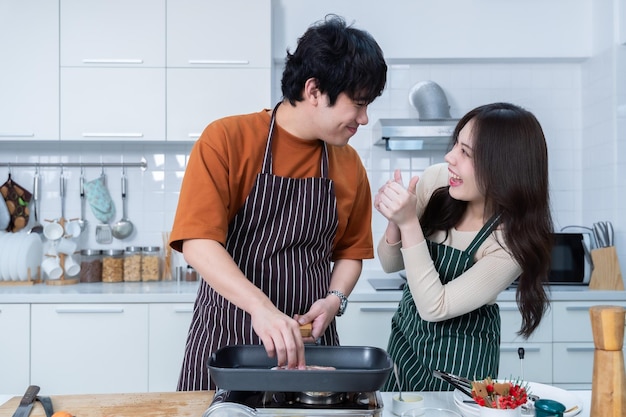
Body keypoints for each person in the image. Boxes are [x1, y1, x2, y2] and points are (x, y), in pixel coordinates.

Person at [169, 14, 387, 391]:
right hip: (229, 344)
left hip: (311, 351)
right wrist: (262, 309)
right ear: (314, 90)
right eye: (359, 104)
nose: (364, 119)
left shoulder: (348, 163)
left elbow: (351, 252)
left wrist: (335, 300)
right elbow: (198, 242)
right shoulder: (227, 139)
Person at [374, 102, 553, 391]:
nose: (449, 157)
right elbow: (390, 262)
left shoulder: (509, 243)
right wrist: (396, 220)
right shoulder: (436, 182)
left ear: (502, 167)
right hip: (406, 344)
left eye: (465, 152)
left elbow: (435, 306)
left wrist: (409, 223)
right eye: (456, 145)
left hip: (461, 365)